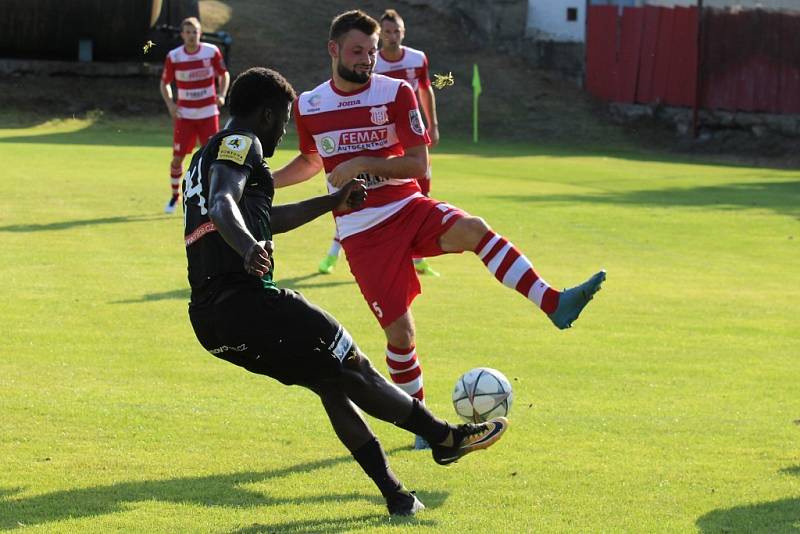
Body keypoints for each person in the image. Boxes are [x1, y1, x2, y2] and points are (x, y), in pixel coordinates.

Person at [183, 66, 508, 517]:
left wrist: (330, 203)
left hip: (210, 321)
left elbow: (259, 217)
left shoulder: (204, 158)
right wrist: (248, 248)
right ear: (265, 114)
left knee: (330, 383)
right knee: (353, 362)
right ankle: (444, 438)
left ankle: (397, 496)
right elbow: (224, 207)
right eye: (282, 120)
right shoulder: (242, 144)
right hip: (248, 303)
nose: (283, 131)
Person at [274, 10, 605, 450]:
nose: (367, 60)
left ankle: (554, 302)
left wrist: (364, 163)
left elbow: (418, 163)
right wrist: (265, 181)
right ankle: (421, 428)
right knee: (400, 336)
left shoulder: (396, 91)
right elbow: (312, 160)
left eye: (372, 52)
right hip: (361, 232)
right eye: (357, 52)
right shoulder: (310, 104)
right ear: (333, 50)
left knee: (474, 229)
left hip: (408, 206)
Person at [316, 8, 440, 277]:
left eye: (397, 31)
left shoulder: (417, 59)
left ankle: (417, 256)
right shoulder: (369, 64)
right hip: (376, 140)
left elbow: (425, 89)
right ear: (380, 35)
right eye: (387, 32)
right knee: (357, 198)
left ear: (403, 33)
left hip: (410, 138)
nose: (392, 36)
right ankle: (334, 253)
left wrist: (433, 125)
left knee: (420, 193)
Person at [160, 16, 230, 214]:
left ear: (200, 33)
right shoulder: (174, 56)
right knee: (177, 158)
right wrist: (171, 105)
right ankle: (175, 196)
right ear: (182, 34)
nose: (192, 36)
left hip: (208, 114)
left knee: (211, 159)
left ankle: (210, 198)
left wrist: (222, 94)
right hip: (185, 116)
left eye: (195, 32)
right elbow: (164, 82)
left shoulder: (211, 52)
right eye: (188, 32)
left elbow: (223, 74)